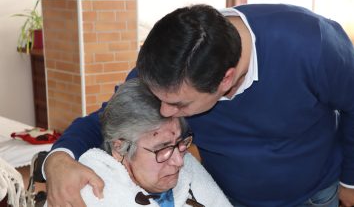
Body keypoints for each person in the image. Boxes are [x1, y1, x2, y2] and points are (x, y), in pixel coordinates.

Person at [44, 4, 354, 207]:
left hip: (314, 192)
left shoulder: (311, 42)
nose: (163, 111)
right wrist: (57, 160)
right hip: (229, 195)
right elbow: (108, 118)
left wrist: (353, 181)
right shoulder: (172, 68)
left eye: (178, 104)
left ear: (225, 80)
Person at [54, 78, 232, 207]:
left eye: (179, 143)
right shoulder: (92, 195)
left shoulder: (190, 172)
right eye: (162, 148)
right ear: (120, 148)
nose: (179, 162)